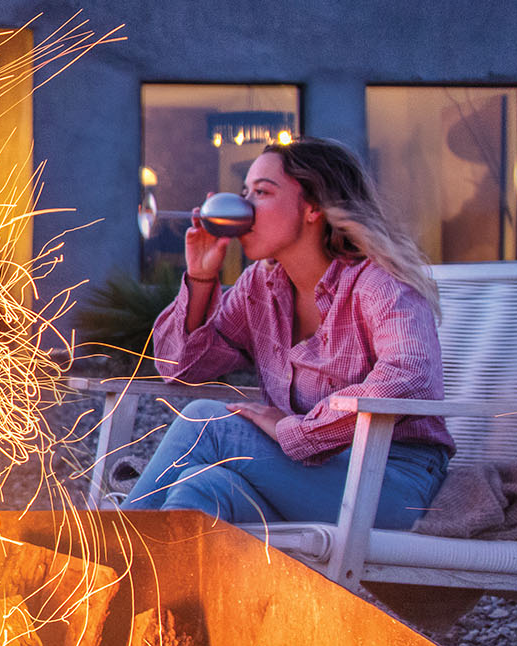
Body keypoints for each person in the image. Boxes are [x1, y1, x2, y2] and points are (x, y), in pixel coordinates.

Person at [121, 137, 452, 529]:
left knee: (205, 422)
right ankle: (147, 586)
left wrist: (294, 429)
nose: (243, 207)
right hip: (306, 478)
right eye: (244, 192)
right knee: (204, 488)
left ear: (313, 206)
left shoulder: (378, 283)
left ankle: (100, 559)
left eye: (261, 192)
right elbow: (179, 366)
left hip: (392, 485)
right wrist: (201, 276)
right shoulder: (261, 287)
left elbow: (408, 376)